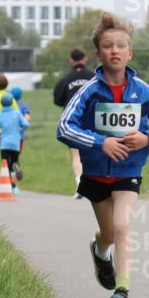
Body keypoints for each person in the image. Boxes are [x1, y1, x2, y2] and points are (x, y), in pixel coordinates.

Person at [57, 13, 149, 298]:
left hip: (128, 172)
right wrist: (101, 143)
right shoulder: (88, 92)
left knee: (122, 227)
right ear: (98, 54)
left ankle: (122, 293)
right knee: (108, 233)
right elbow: (64, 128)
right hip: (96, 174)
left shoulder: (143, 91)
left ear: (130, 53)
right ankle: (99, 250)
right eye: (108, 46)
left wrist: (148, 138)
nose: (115, 51)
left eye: (121, 46)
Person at [53, 48, 95, 197]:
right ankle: (95, 185)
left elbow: (57, 100)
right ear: (85, 59)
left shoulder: (65, 79)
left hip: (73, 120)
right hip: (93, 119)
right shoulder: (94, 77)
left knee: (76, 155)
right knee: (94, 151)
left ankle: (80, 185)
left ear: (71, 60)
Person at [0, 93, 29, 193]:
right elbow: (26, 124)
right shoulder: (17, 113)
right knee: (14, 162)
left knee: (6, 166)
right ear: (11, 103)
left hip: (4, 143)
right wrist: (20, 130)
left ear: (1, 103)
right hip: (15, 142)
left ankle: (11, 186)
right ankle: (15, 182)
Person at [10, 86, 31, 180]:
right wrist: (21, 128)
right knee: (16, 155)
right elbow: (27, 118)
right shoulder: (23, 106)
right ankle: (16, 168)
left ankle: (11, 177)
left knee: (8, 157)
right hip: (20, 137)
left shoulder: (8, 106)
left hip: (8, 135)